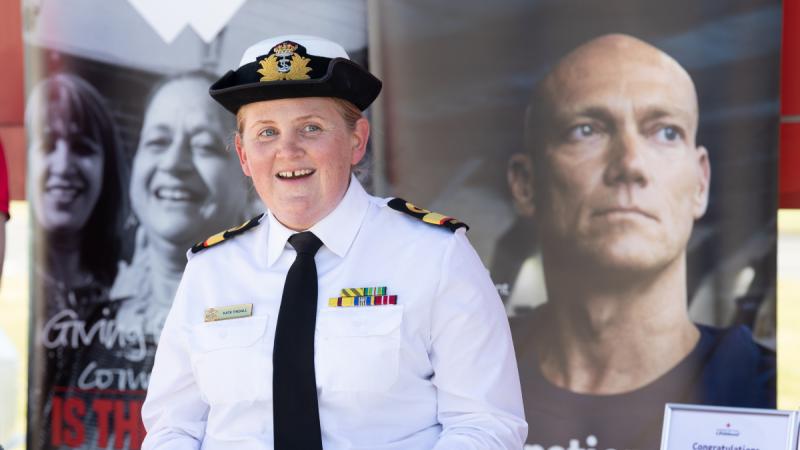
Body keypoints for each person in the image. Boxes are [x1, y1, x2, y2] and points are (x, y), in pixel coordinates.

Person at [142, 35, 526, 449]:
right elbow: (173, 428)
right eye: (266, 132)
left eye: (311, 127)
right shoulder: (211, 269)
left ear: (357, 140)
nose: (288, 151)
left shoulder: (435, 254)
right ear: (242, 154)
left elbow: (486, 423)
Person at [506, 34, 775, 450]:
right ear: (526, 184)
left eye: (666, 132)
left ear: (700, 182)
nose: (630, 164)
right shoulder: (462, 380)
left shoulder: (775, 401)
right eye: (586, 131)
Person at [24, 72, 132, 450]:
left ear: (107, 168)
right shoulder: (15, 292)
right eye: (48, 144)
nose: (63, 164)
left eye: (84, 147)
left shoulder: (133, 290)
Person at [111, 71, 252, 343]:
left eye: (204, 145)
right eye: (158, 142)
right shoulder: (87, 322)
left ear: (247, 169)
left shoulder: (275, 302)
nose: (173, 163)